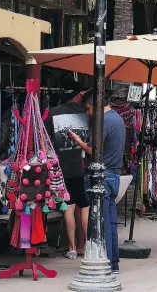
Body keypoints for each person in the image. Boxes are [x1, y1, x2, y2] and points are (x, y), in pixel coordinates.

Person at [70, 89, 126, 274]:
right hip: (114, 175)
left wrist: (78, 141)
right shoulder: (117, 119)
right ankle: (113, 263)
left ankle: (107, 264)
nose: (87, 113)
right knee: (110, 223)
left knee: (102, 224)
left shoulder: (103, 122)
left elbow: (95, 151)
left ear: (95, 105)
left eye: (88, 108)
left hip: (102, 176)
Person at [44, 82, 90, 260]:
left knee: (68, 208)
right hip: (83, 167)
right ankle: (85, 246)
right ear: (78, 95)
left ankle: (71, 248)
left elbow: (46, 139)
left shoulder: (53, 113)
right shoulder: (86, 113)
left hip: (62, 168)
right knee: (84, 206)